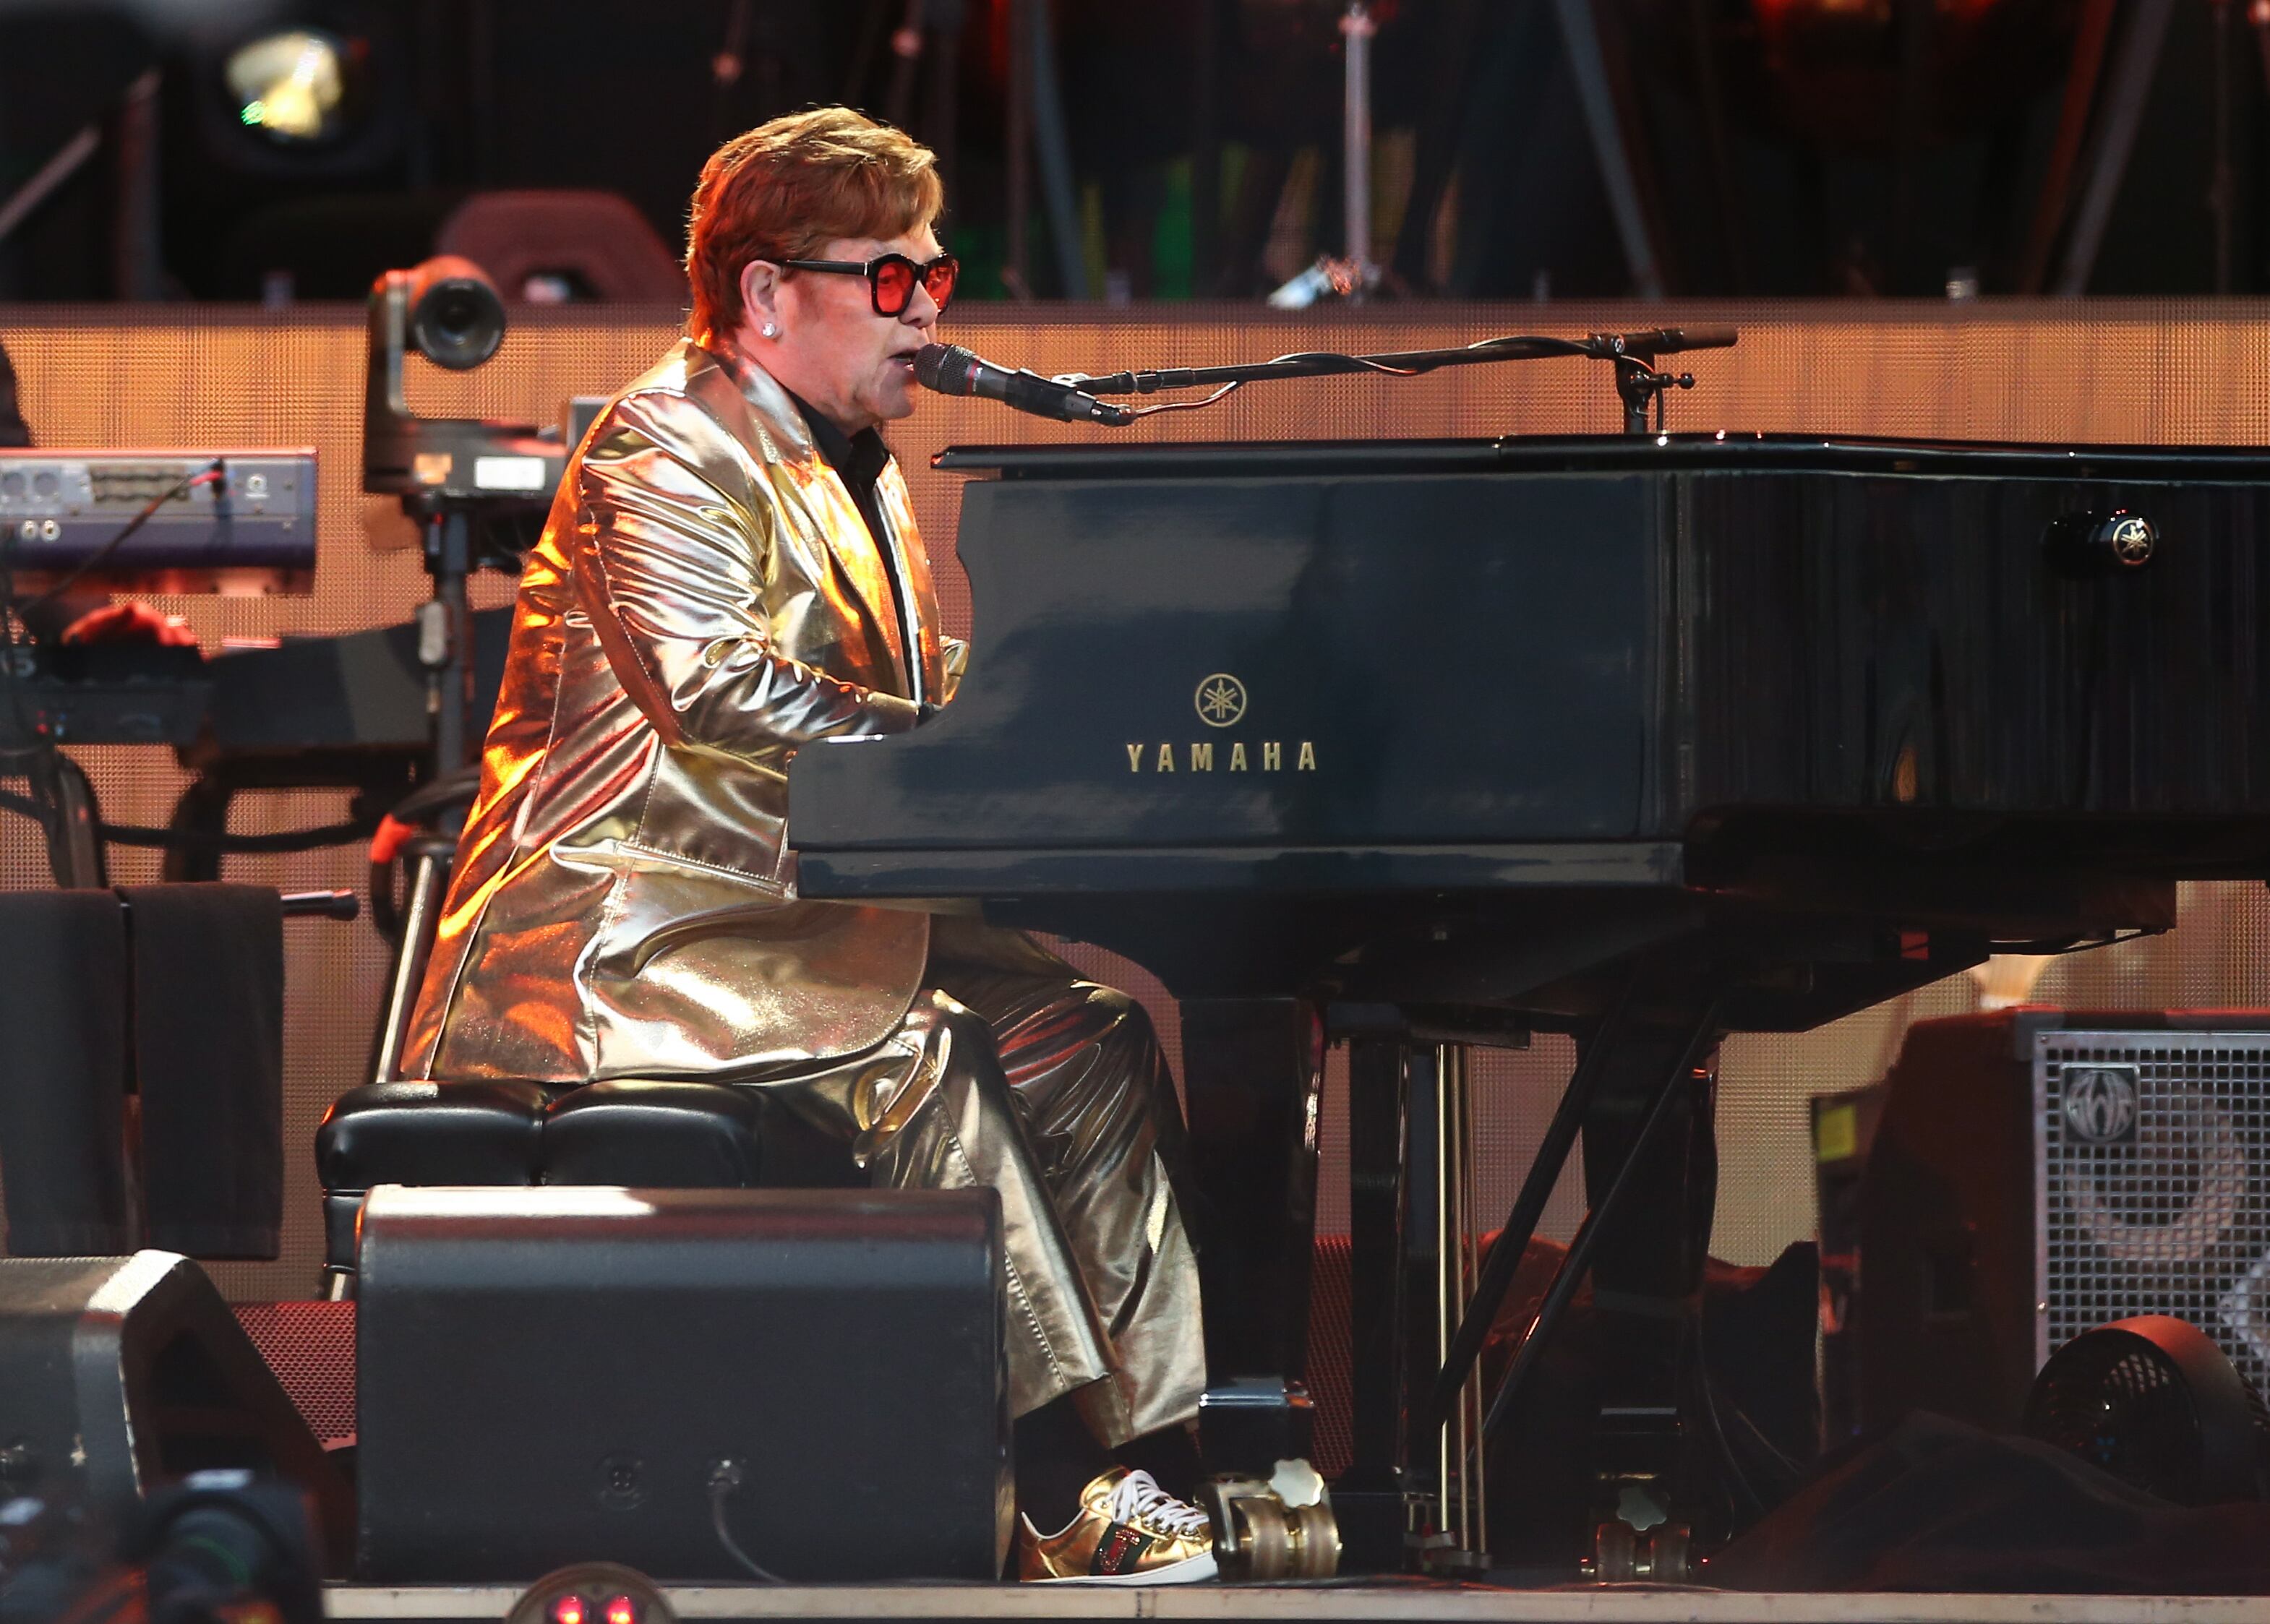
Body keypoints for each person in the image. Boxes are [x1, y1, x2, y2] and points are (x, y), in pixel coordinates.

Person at [398, 108, 1216, 1584]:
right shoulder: (658, 448)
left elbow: (907, 693)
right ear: (767, 296)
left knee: (1084, 1029)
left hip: (782, 913)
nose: (927, 310)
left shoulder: (861, 463)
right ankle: (1048, 1481)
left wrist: (1060, 709)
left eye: (936, 274)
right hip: (625, 932)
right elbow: (715, 689)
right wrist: (982, 753)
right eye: (887, 279)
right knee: (926, 1046)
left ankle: (1164, 1458)